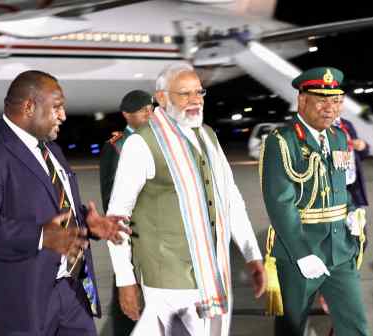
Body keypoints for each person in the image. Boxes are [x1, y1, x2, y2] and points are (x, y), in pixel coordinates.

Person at [0, 70, 130, 336]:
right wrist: (40, 236)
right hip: (20, 301)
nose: (63, 116)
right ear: (29, 106)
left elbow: (50, 205)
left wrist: (86, 222)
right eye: (57, 107)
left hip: (71, 290)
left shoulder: (49, 148)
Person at [106, 62, 265, 336]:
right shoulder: (141, 144)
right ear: (162, 98)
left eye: (199, 92)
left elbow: (231, 199)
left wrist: (251, 254)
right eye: (184, 94)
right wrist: (125, 280)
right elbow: (117, 217)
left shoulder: (208, 136)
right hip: (167, 281)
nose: (195, 100)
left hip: (214, 275)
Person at [260, 67, 369, 336]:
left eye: (336, 101)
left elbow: (342, 186)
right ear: (302, 100)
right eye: (321, 100)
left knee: (355, 325)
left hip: (340, 250)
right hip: (300, 251)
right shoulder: (282, 141)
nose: (329, 108)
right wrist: (302, 253)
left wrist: (352, 213)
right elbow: (280, 203)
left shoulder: (340, 137)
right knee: (292, 329)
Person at [99, 89, 153, 334]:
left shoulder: (156, 140)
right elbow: (111, 197)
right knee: (128, 293)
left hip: (157, 235)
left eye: (151, 109)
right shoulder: (116, 147)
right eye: (143, 111)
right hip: (132, 233)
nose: (149, 114)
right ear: (126, 115)